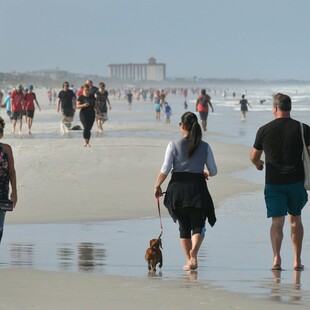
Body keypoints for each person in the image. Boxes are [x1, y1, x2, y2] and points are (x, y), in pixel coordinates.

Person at [250, 93, 310, 271]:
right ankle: (297, 261)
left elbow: (254, 156)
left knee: (277, 222)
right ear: (289, 108)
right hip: (296, 183)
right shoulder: (303, 128)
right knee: (296, 220)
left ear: (275, 108)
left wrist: (259, 164)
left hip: (273, 183)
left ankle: (276, 258)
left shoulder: (264, 130)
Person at [154, 111, 217, 271]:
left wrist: (157, 185)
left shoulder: (173, 145)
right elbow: (214, 170)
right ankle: (194, 253)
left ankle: (190, 260)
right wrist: (205, 172)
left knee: (183, 227)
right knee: (198, 225)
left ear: (182, 126)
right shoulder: (205, 146)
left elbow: (166, 169)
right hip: (197, 188)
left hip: (178, 189)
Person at [0, 116, 17, 244]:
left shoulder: (6, 149)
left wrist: (14, 192)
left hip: (2, 193)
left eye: (0, 130)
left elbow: (11, 171)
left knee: (0, 227)